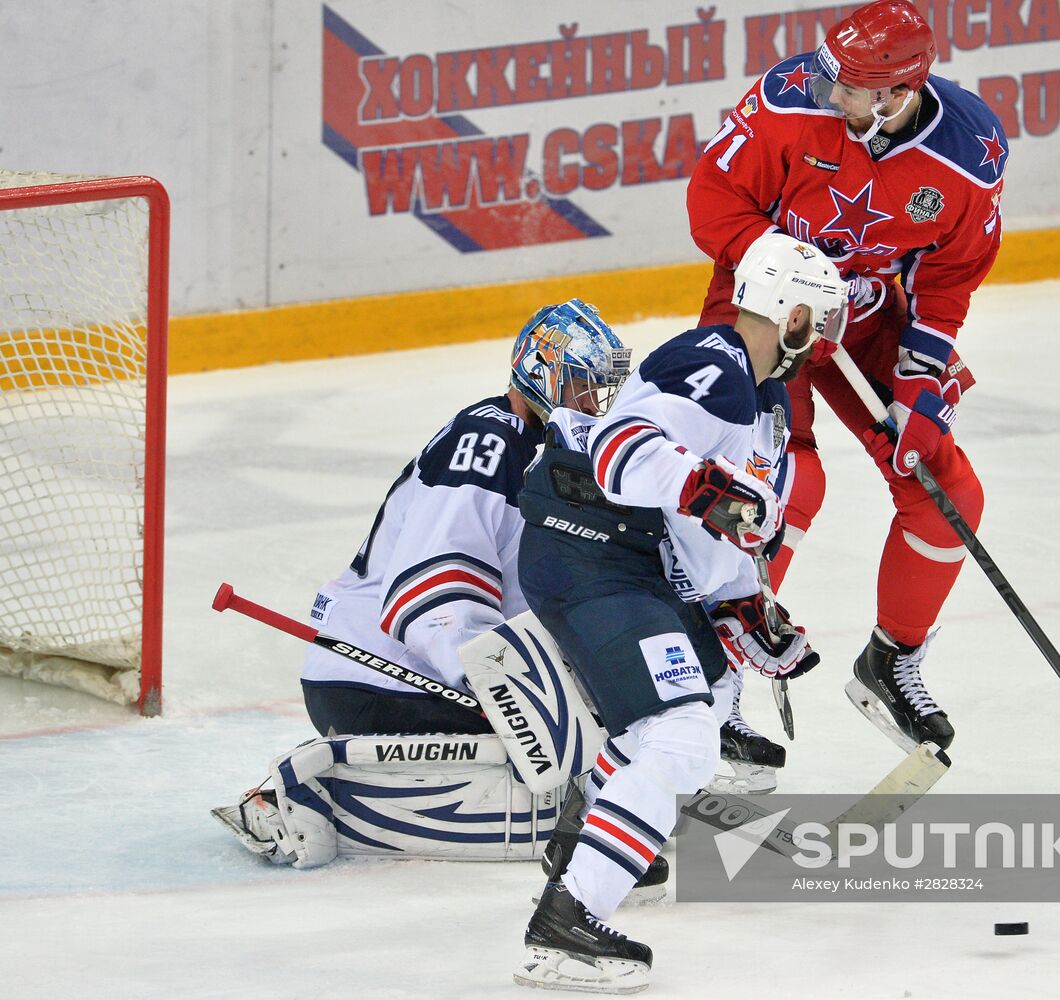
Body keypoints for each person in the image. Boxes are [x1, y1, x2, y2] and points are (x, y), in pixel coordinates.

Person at [512, 233, 847, 994]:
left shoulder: (759, 393)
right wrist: (708, 493)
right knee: (683, 735)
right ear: (793, 316)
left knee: (700, 690)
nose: (824, 340)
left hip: (626, 560)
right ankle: (568, 916)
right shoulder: (717, 364)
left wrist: (741, 606)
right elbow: (622, 452)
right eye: (819, 322)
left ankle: (582, 847)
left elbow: (708, 521)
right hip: (591, 547)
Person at [686, 0, 1008, 754]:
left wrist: (922, 377)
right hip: (763, 307)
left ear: (899, 94)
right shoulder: (784, 105)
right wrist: (789, 271)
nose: (834, 94)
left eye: (855, 89)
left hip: (863, 312)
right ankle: (705, 680)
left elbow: (952, 269)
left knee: (947, 493)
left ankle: (892, 660)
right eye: (836, 78)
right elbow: (713, 201)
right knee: (783, 482)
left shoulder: (969, 149)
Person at [299, 299, 631, 736]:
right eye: (581, 386)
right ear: (541, 372)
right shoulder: (487, 441)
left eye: (599, 389)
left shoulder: (537, 449)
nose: (592, 404)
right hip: (384, 679)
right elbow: (431, 589)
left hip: (408, 678)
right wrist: (500, 683)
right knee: (591, 747)